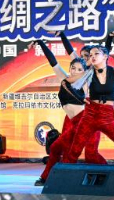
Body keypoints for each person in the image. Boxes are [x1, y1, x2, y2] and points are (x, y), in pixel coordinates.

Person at [31, 39, 97, 187]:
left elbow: (98, 68)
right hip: (73, 121)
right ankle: (46, 178)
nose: (75, 71)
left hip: (84, 121)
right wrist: (41, 43)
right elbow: (52, 61)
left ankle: (106, 177)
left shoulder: (86, 81)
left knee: (89, 154)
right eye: (73, 68)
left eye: (79, 69)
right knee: (56, 148)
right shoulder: (64, 79)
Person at [63, 45, 114, 165]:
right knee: (75, 151)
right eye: (90, 55)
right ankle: (65, 175)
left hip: (107, 116)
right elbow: (65, 83)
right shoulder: (87, 73)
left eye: (96, 54)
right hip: (90, 115)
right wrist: (79, 98)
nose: (92, 56)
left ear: (105, 56)